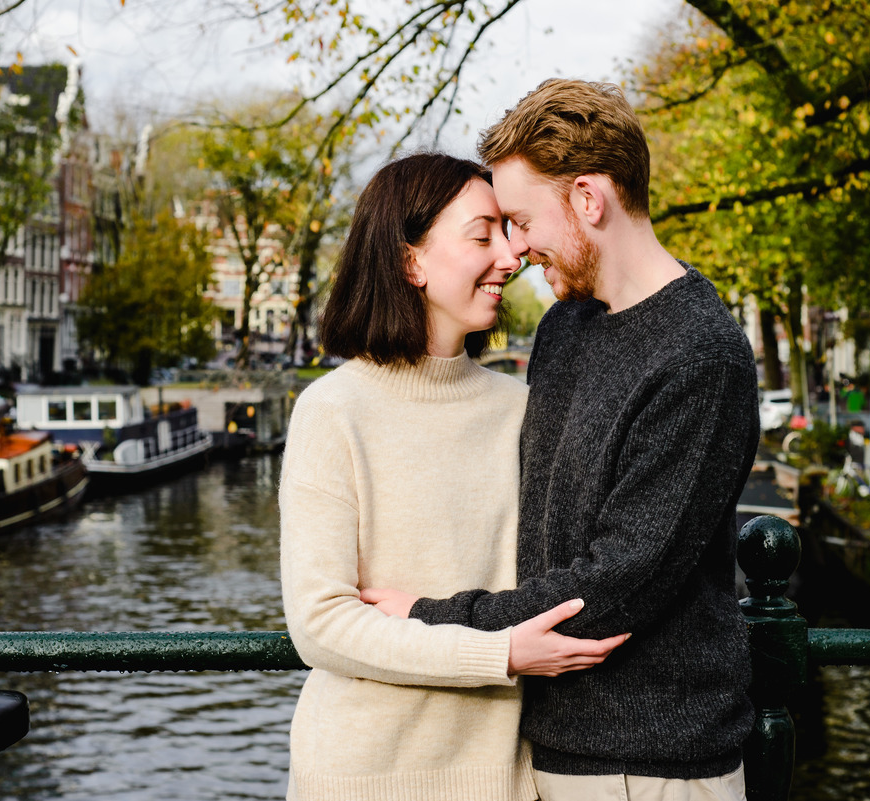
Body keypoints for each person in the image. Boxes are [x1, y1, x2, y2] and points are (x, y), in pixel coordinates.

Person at [361, 80, 761, 801]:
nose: (515, 250)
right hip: (545, 751)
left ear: (587, 198)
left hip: (653, 765)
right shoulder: (565, 327)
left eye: (519, 219)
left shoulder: (702, 355)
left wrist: (432, 618)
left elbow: (617, 583)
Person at [278, 152, 627, 801]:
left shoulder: (524, 407)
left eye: (507, 229)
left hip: (505, 776)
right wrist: (499, 654)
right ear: (410, 260)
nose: (510, 254)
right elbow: (320, 621)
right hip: (361, 779)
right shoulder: (332, 410)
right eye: (481, 235)